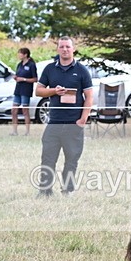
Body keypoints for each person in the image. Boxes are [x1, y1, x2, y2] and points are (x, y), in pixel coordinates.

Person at [35, 37, 94, 196]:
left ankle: (67, 190)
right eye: (62, 47)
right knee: (48, 158)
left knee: (72, 159)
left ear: (73, 49)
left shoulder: (81, 70)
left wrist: (83, 120)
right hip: (54, 122)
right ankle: (45, 191)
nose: (65, 49)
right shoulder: (49, 69)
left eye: (68, 47)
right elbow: (38, 91)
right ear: (58, 49)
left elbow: (89, 96)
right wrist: (54, 91)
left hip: (73, 123)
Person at [11, 47, 38, 136]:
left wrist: (24, 79)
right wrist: (16, 78)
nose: (19, 55)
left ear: (25, 55)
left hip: (26, 90)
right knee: (14, 110)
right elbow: (18, 75)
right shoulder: (19, 64)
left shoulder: (31, 65)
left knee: (25, 110)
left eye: (20, 53)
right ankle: (14, 131)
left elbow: (35, 79)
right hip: (18, 89)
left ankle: (27, 131)